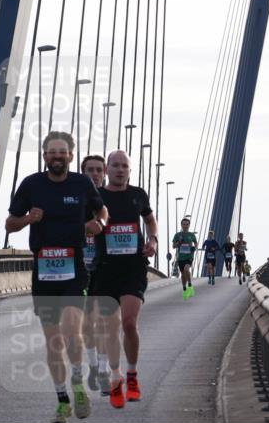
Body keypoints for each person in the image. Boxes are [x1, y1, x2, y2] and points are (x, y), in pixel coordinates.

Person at [6, 132, 108, 423]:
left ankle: (78, 385)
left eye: (62, 152)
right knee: (54, 342)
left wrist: (98, 223)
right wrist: (27, 219)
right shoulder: (31, 184)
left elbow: (102, 210)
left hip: (73, 270)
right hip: (43, 271)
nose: (57, 156)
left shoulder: (81, 183)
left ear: (71, 156)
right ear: (44, 156)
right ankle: (63, 401)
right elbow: (10, 224)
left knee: (72, 333)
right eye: (52, 152)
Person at [92, 150, 158, 409]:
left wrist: (153, 240)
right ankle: (115, 374)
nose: (120, 170)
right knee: (110, 328)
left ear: (130, 171)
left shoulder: (138, 195)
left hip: (133, 267)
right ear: (107, 170)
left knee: (129, 324)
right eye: (115, 166)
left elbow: (151, 221)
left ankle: (131, 375)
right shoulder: (97, 197)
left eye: (125, 166)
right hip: (105, 269)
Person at [80, 154, 108, 393]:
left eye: (99, 170)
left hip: (106, 270)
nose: (95, 174)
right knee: (87, 325)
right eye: (90, 170)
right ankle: (94, 365)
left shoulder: (111, 200)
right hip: (80, 270)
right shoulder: (74, 200)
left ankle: (104, 369)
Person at [172, 216, 197, 299]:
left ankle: (190, 285)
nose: (185, 226)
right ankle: (184, 288)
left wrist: (195, 247)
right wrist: (179, 242)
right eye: (184, 224)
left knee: (186, 269)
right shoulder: (177, 235)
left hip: (189, 256)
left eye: (187, 224)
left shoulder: (191, 235)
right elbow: (173, 246)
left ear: (189, 225)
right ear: (181, 225)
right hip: (180, 258)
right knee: (183, 274)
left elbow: (195, 243)